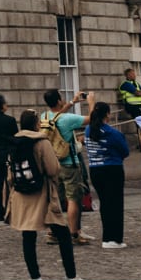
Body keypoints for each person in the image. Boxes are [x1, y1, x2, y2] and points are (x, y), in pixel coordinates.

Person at [6, 109, 75, 280]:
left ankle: (35, 277)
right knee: (63, 234)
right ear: (36, 124)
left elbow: (10, 175)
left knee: (28, 235)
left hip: (22, 195)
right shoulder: (42, 142)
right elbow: (53, 169)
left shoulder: (14, 142)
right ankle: (71, 276)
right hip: (42, 193)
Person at [45, 89, 90, 243]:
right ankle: (74, 233)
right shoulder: (68, 119)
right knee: (73, 199)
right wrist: (91, 102)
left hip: (52, 163)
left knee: (55, 199)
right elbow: (92, 119)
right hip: (69, 163)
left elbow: (57, 116)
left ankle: (53, 232)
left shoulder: (45, 116)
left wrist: (72, 102)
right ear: (58, 101)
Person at [84, 101, 129, 248]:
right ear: (107, 114)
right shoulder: (112, 133)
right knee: (116, 204)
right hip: (112, 169)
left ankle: (106, 237)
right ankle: (115, 239)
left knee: (105, 203)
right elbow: (125, 151)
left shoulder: (88, 130)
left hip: (95, 169)